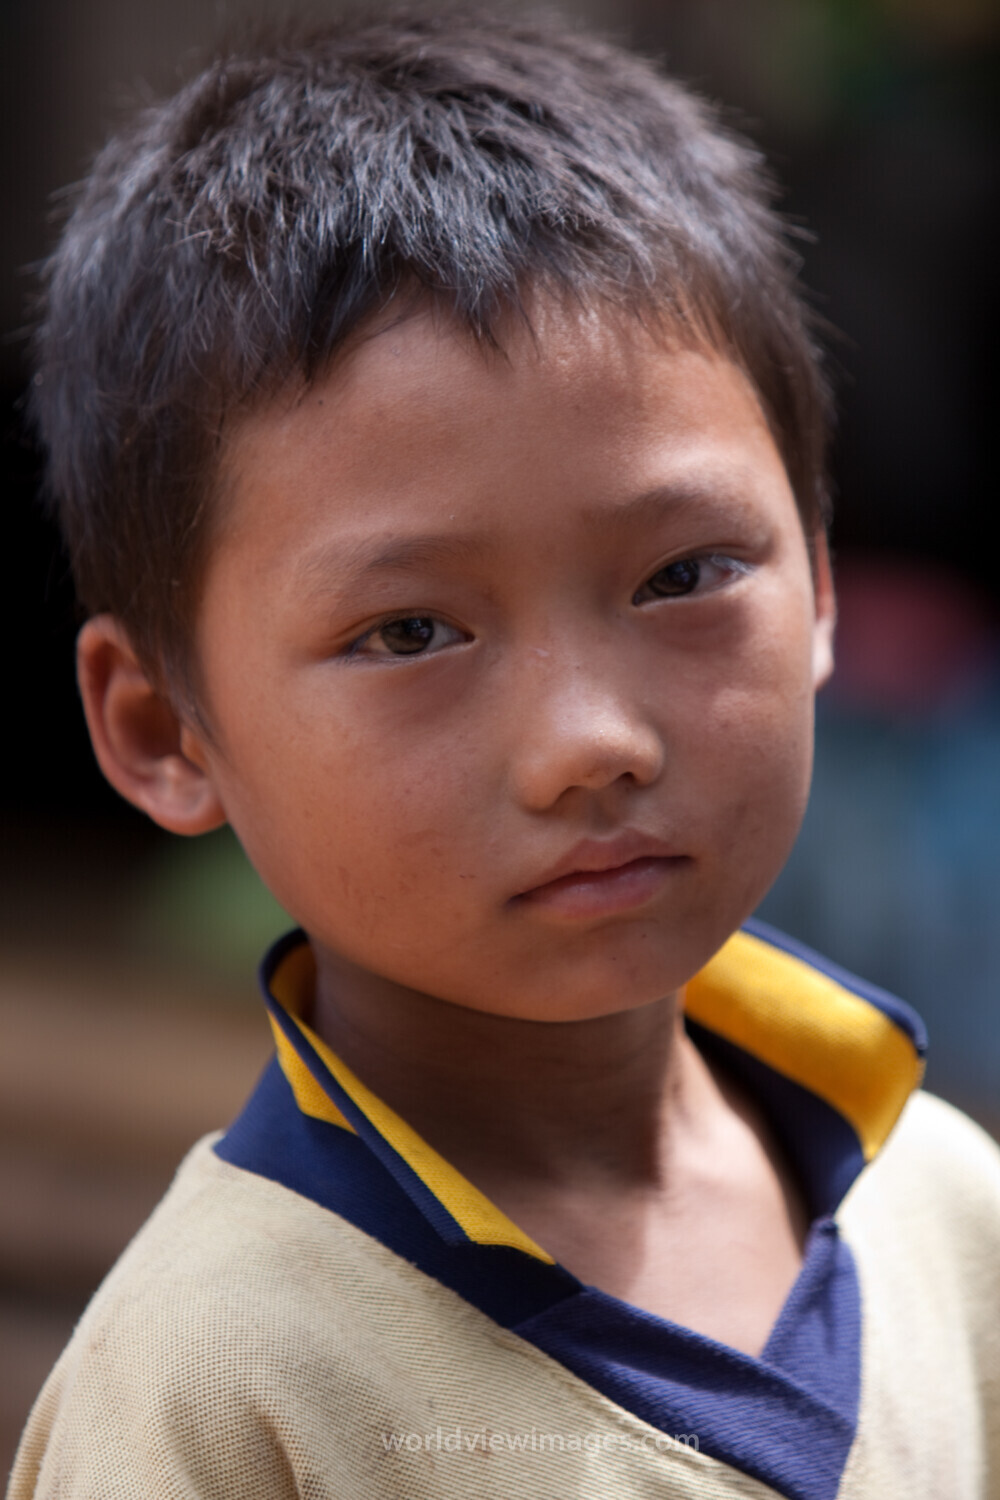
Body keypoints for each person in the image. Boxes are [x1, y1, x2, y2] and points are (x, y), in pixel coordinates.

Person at [9, 8, 999, 1498]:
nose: (589, 745)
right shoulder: (223, 1386)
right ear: (164, 729)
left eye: (684, 576)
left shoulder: (946, 1212)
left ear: (821, 587)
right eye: (410, 633)